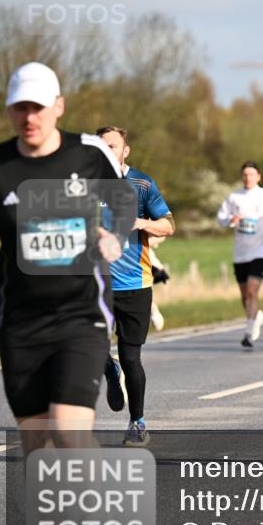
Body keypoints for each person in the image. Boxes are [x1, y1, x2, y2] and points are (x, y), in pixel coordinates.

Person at [0, 62, 123, 525]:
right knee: (39, 451)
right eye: (21, 107)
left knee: (69, 429)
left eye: (38, 107)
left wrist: (112, 236)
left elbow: (121, 206)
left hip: (79, 315)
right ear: (10, 110)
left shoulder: (89, 153)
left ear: (58, 107)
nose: (30, 117)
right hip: (19, 325)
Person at [98, 126, 175, 447]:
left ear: (124, 151)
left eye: (112, 146)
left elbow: (168, 224)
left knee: (132, 357)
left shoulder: (142, 184)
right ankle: (108, 369)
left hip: (135, 283)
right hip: (95, 283)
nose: (106, 152)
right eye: (100, 148)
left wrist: (142, 222)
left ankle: (137, 421)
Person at [217, 161, 263, 348]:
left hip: (261, 249)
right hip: (240, 252)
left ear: (258, 176)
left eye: (252, 174)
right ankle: (256, 316)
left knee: (253, 290)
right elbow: (220, 218)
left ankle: (249, 332)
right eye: (245, 174)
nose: (248, 178)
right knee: (245, 295)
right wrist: (231, 219)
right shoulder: (233, 197)